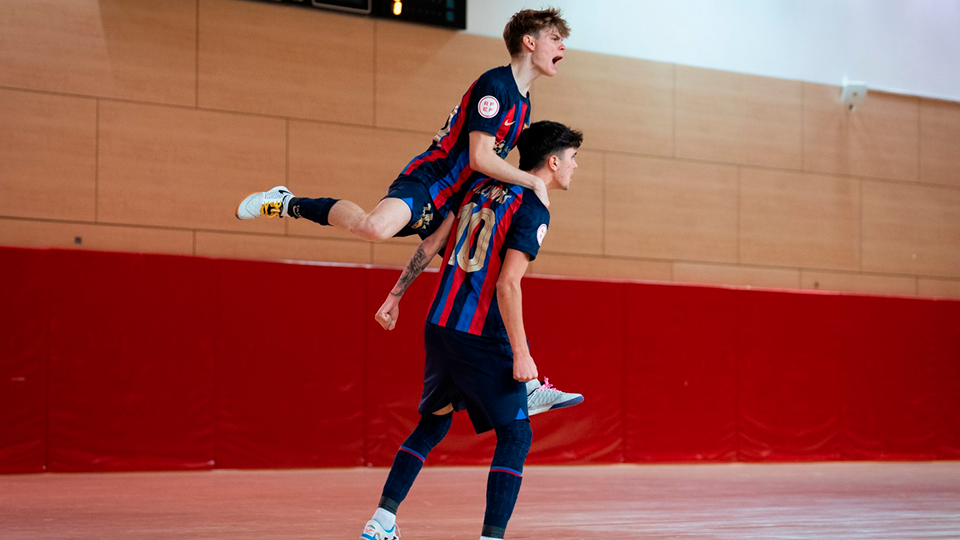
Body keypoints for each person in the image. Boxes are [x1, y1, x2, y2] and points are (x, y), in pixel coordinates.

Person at [361, 120, 584, 540]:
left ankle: (382, 521)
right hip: (480, 334)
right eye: (573, 159)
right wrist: (522, 354)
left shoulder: (477, 187)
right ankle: (490, 537)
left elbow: (429, 246)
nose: (576, 167)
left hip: (440, 324)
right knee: (516, 435)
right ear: (553, 162)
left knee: (433, 424)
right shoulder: (532, 207)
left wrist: (395, 295)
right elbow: (507, 284)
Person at [236, 8, 570, 242]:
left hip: (453, 199)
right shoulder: (495, 86)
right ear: (529, 42)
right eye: (555, 38)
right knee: (373, 228)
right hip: (430, 180)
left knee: (478, 264)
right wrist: (532, 182)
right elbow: (480, 158)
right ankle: (286, 203)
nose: (562, 46)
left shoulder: (524, 104)